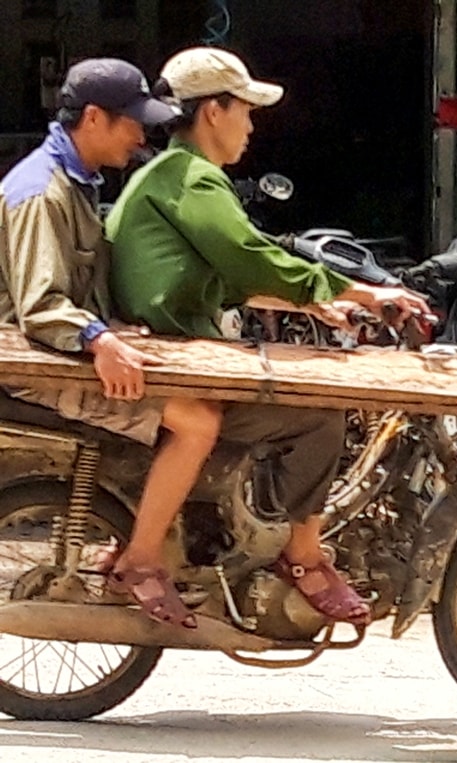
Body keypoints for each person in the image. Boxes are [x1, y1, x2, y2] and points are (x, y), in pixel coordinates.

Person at [105, 47, 430, 629]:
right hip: (170, 363)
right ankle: (302, 557)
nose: (251, 127)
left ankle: (243, 536)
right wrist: (362, 293)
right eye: (245, 112)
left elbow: (224, 277)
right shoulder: (190, 180)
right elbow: (253, 259)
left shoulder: (171, 178)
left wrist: (320, 302)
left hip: (180, 350)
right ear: (213, 111)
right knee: (320, 415)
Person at [0, 58, 229, 629]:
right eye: (132, 122)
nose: (140, 134)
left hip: (65, 354)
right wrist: (98, 338)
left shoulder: (79, 181)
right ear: (95, 118)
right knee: (198, 422)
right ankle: (141, 559)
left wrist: (108, 326)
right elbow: (40, 307)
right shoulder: (39, 193)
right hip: (39, 366)